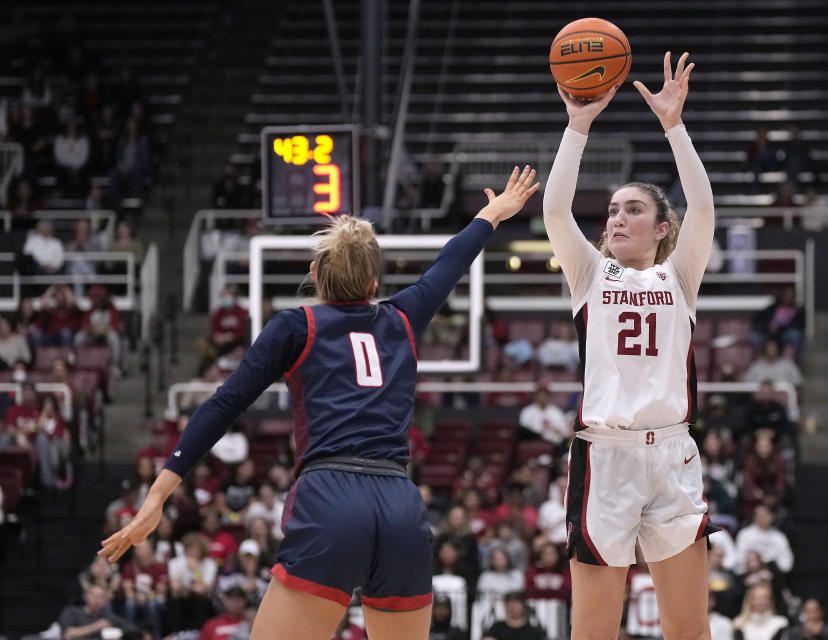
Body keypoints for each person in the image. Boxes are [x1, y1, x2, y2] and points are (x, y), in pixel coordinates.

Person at [99, 166, 541, 640]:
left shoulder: (295, 326)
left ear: (314, 275)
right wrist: (492, 213)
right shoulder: (404, 316)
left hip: (331, 495)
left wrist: (158, 494)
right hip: (399, 503)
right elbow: (448, 263)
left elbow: (221, 406)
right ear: (374, 284)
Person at [542, 51, 715, 640]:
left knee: (689, 628)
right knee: (593, 630)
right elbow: (556, 208)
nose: (616, 219)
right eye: (613, 210)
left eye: (633, 210)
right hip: (606, 455)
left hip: (672, 453)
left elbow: (705, 208)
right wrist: (577, 125)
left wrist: (675, 125)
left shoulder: (679, 277)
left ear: (662, 228)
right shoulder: (591, 275)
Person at [56, 583, 141, 639]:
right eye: (94, 596)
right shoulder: (72, 611)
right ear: (86, 596)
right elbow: (68, 635)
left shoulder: (108, 616)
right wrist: (96, 626)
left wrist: (117, 632)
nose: (96, 600)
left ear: (105, 600)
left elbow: (132, 628)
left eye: (100, 597)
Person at [735, 505, 794, 574]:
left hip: (773, 574)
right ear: (754, 518)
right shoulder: (745, 534)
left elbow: (786, 561)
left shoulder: (779, 537)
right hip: (750, 572)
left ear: (772, 517)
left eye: (765, 515)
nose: (763, 518)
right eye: (759, 515)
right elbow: (740, 557)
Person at [751, 288, 804, 359]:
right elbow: (758, 318)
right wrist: (767, 326)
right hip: (769, 332)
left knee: (795, 335)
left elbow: (797, 325)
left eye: (791, 296)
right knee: (755, 337)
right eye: (787, 296)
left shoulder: (798, 311)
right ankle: (757, 360)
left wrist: (779, 327)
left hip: (784, 333)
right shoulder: (773, 307)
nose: (788, 298)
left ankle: (798, 358)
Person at [481, 591, 546, 640]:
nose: (513, 607)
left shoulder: (533, 632)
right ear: (505, 606)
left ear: (524, 606)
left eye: (516, 603)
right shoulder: (496, 628)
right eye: (509, 603)